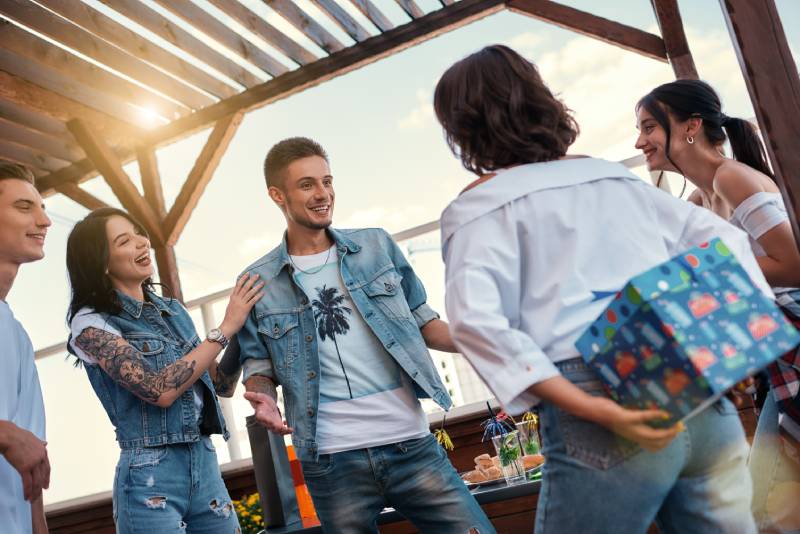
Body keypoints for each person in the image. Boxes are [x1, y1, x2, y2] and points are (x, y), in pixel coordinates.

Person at [435, 45, 769, 533]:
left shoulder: (476, 209)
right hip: (692, 381)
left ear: (463, 128)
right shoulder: (613, 177)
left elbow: (475, 323)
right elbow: (727, 243)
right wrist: (730, 355)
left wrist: (594, 407)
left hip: (597, 399)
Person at [239, 137, 495, 533]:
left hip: (412, 446)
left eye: (327, 181)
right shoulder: (258, 280)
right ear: (277, 195)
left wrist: (485, 336)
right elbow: (258, 365)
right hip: (331, 462)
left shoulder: (376, 246)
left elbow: (424, 322)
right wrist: (263, 400)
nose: (323, 193)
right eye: (307, 185)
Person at [636, 79, 800, 533]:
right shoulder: (698, 199)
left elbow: (793, 265)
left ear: (690, 127)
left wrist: (709, 271)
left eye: (650, 126)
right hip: (774, 358)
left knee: (766, 504)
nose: (639, 140)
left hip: (794, 346)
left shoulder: (731, 177)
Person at [65, 207, 263, 533]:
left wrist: (245, 325)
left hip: (204, 461)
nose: (142, 244)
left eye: (139, 233)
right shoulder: (90, 322)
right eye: (124, 241)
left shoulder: (173, 311)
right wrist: (226, 326)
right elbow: (159, 391)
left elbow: (220, 384)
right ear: (101, 260)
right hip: (149, 474)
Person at [0, 161, 51, 534]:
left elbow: (32, 473)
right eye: (24, 207)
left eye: (43, 208)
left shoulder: (16, 334)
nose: (44, 221)